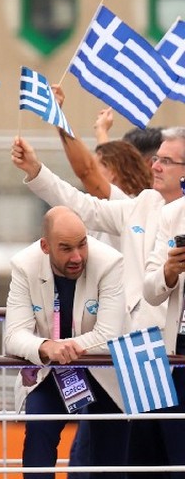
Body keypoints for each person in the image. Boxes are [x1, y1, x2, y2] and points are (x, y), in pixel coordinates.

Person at [4, 207, 130, 479]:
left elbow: (110, 334)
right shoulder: (24, 265)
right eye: (65, 248)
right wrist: (45, 348)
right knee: (38, 432)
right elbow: (14, 333)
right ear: (45, 247)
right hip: (52, 373)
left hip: (104, 373)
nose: (77, 255)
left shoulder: (109, 262)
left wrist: (64, 345)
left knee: (109, 475)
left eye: (81, 244)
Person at [11, 127, 185, 332]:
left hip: (173, 339)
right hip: (135, 340)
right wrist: (35, 170)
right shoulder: (144, 203)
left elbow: (88, 173)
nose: (155, 166)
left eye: (166, 161)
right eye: (156, 158)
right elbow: (84, 207)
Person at [119, 194, 185, 479]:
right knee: (143, 461)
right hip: (152, 348)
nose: (159, 168)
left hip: (168, 352)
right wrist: (168, 271)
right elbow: (150, 287)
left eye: (169, 161)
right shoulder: (169, 212)